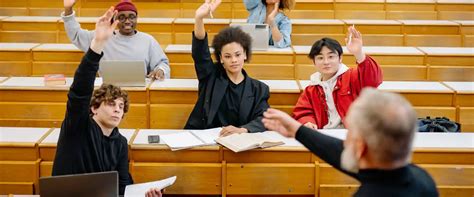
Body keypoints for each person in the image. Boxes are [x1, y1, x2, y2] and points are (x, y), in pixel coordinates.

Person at [52, 7, 162, 197]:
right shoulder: (78, 126)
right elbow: (79, 91)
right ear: (94, 108)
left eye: (121, 107)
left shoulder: (120, 143)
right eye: (111, 104)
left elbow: (123, 186)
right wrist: (97, 45)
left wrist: (144, 194)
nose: (118, 110)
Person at [262, 88, 438, 196]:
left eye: (350, 133)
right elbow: (344, 155)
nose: (345, 140)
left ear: (361, 147)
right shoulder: (422, 179)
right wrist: (297, 130)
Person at [184, 0, 270, 137]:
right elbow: (200, 52)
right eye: (228, 56)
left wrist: (243, 129)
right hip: (207, 141)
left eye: (237, 55)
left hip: (239, 144)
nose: (234, 60)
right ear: (221, 58)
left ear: (245, 55)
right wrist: (199, 18)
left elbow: (264, 119)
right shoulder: (210, 76)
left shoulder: (259, 89)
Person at [292, 26, 383, 130]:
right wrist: (307, 122)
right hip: (325, 135)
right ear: (314, 62)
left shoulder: (352, 76)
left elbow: (374, 80)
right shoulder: (312, 89)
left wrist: (359, 54)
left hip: (353, 133)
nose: (326, 62)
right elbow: (302, 112)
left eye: (331, 57)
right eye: (320, 58)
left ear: (340, 58)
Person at [61, 0, 170, 80]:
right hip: (107, 92)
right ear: (115, 19)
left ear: (137, 19)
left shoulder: (148, 40)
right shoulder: (102, 37)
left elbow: (162, 63)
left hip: (140, 91)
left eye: (131, 17)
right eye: (122, 17)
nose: (127, 21)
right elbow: (76, 35)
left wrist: (160, 70)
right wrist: (68, 10)